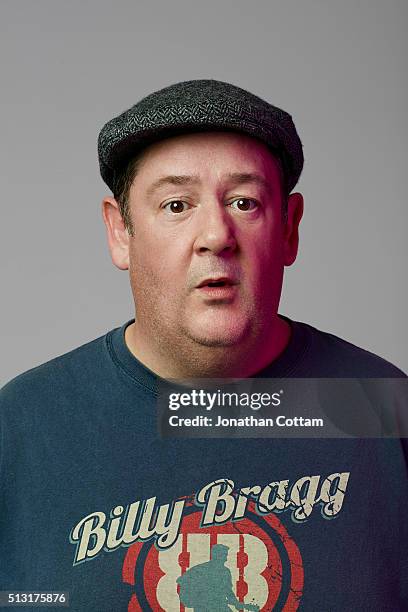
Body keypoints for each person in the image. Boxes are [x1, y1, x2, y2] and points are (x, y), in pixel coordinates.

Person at [0, 79, 406, 611]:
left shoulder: (383, 410)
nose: (216, 234)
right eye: (175, 204)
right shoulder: (23, 428)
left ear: (289, 229)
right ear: (120, 232)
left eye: (244, 202)